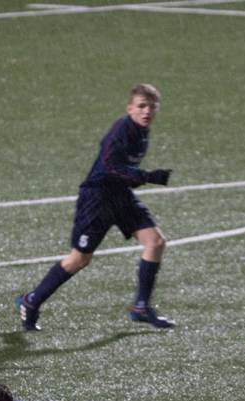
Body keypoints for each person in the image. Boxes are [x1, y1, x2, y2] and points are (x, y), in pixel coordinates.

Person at [16, 83, 176, 332]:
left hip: (120, 195)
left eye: (152, 107)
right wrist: (146, 176)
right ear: (130, 108)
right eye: (141, 106)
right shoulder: (122, 130)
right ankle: (32, 300)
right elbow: (109, 166)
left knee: (155, 242)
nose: (146, 111)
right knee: (79, 259)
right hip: (97, 198)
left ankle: (141, 307)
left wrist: (138, 178)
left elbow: (122, 171)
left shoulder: (142, 132)